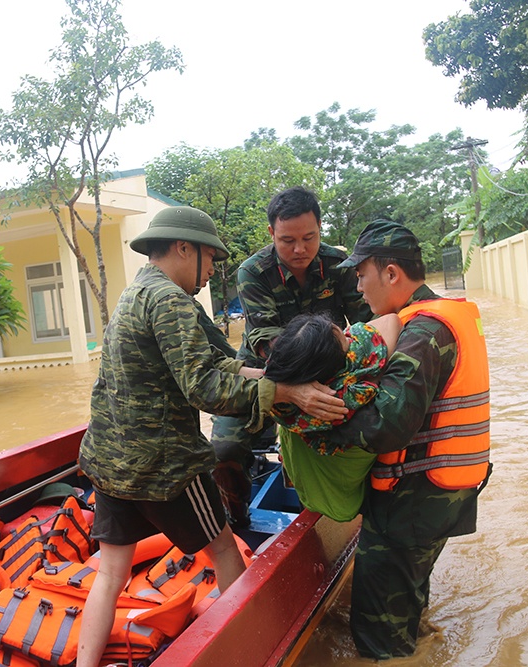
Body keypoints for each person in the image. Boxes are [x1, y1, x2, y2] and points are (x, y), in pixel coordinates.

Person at [76, 206, 347, 667]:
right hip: (164, 467)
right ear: (185, 248)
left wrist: (264, 374)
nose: (210, 274)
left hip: (108, 460)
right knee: (223, 545)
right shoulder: (172, 302)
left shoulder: (139, 290)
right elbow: (204, 387)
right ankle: (250, 645)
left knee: (111, 573)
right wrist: (286, 391)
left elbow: (216, 360)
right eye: (209, 260)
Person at [313, 219, 492, 659]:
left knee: (379, 637)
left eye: (362, 274)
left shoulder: (424, 331)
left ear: (391, 274)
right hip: (438, 493)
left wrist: (315, 421)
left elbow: (384, 425)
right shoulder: (444, 316)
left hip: (412, 501)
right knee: (406, 598)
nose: (358, 285)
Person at [210, 186, 373, 527]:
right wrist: (296, 389)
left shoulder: (339, 266)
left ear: (320, 229)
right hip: (265, 374)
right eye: (287, 241)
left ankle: (344, 511)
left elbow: (364, 326)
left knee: (371, 429)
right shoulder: (253, 272)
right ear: (272, 233)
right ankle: (235, 520)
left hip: (332, 371)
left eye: (309, 238)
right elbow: (264, 337)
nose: (300, 249)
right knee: (223, 451)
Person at [263, 311, 402, 522]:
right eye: (346, 339)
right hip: (343, 505)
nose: (350, 338)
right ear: (342, 363)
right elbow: (391, 320)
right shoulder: (355, 389)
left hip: (307, 490)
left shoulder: (281, 400)